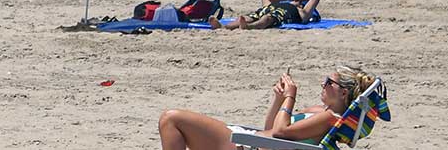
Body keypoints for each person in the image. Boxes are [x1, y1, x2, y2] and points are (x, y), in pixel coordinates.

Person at [157, 66, 375, 149]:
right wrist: (279, 101)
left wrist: (291, 97)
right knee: (174, 121)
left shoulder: (328, 119)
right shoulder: (320, 112)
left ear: (343, 92)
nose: (322, 84)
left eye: (329, 82)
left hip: (242, 145)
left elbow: (281, 132)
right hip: (249, 139)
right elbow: (271, 130)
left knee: (172, 119)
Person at [215, 0, 321, 30]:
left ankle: (249, 27)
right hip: (267, 10)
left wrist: (300, 0)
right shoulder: (283, 3)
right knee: (243, 18)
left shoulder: (302, 12)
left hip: (280, 15)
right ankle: (223, 27)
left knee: (267, 19)